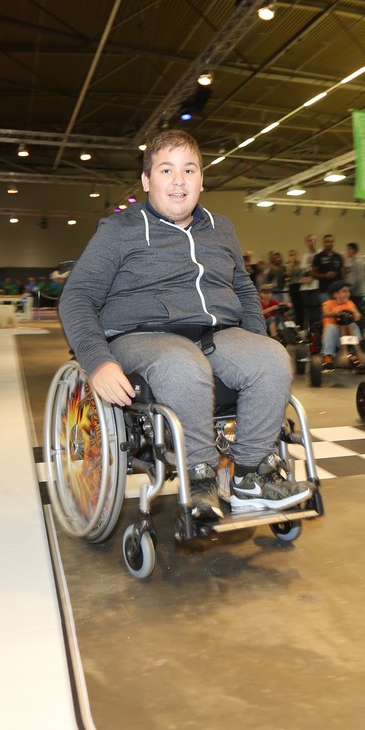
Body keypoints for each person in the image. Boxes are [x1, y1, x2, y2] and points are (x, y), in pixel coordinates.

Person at [58, 129, 310, 519]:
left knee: (272, 358)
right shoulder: (118, 231)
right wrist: (98, 362)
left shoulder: (220, 227)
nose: (179, 181)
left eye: (189, 170)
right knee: (183, 364)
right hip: (141, 335)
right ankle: (200, 476)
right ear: (147, 181)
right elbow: (77, 297)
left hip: (215, 333)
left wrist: (256, 341)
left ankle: (250, 475)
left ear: (201, 180)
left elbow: (244, 290)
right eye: (167, 170)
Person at [320, 280, 361, 365]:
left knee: (352, 324)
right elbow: (326, 313)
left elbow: (356, 312)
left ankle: (358, 347)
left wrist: (356, 315)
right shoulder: (328, 303)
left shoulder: (349, 303)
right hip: (335, 337)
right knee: (331, 327)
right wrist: (334, 313)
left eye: (348, 291)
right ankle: (328, 354)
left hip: (347, 335)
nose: (348, 294)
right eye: (344, 291)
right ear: (335, 294)